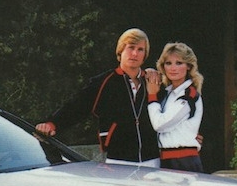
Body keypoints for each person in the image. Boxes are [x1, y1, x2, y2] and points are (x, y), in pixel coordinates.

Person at [36, 28, 160, 166]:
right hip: (117, 160)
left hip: (152, 159)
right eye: (131, 47)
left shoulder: (152, 81)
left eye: (140, 49)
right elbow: (77, 106)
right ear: (121, 50)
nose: (135, 53)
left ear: (145, 54)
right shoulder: (103, 82)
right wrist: (52, 123)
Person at [146, 42, 204, 172]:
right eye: (168, 63)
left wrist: (152, 96)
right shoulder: (168, 93)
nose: (173, 68)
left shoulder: (190, 95)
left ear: (189, 66)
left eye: (179, 63)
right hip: (167, 160)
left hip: (184, 161)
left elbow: (160, 125)